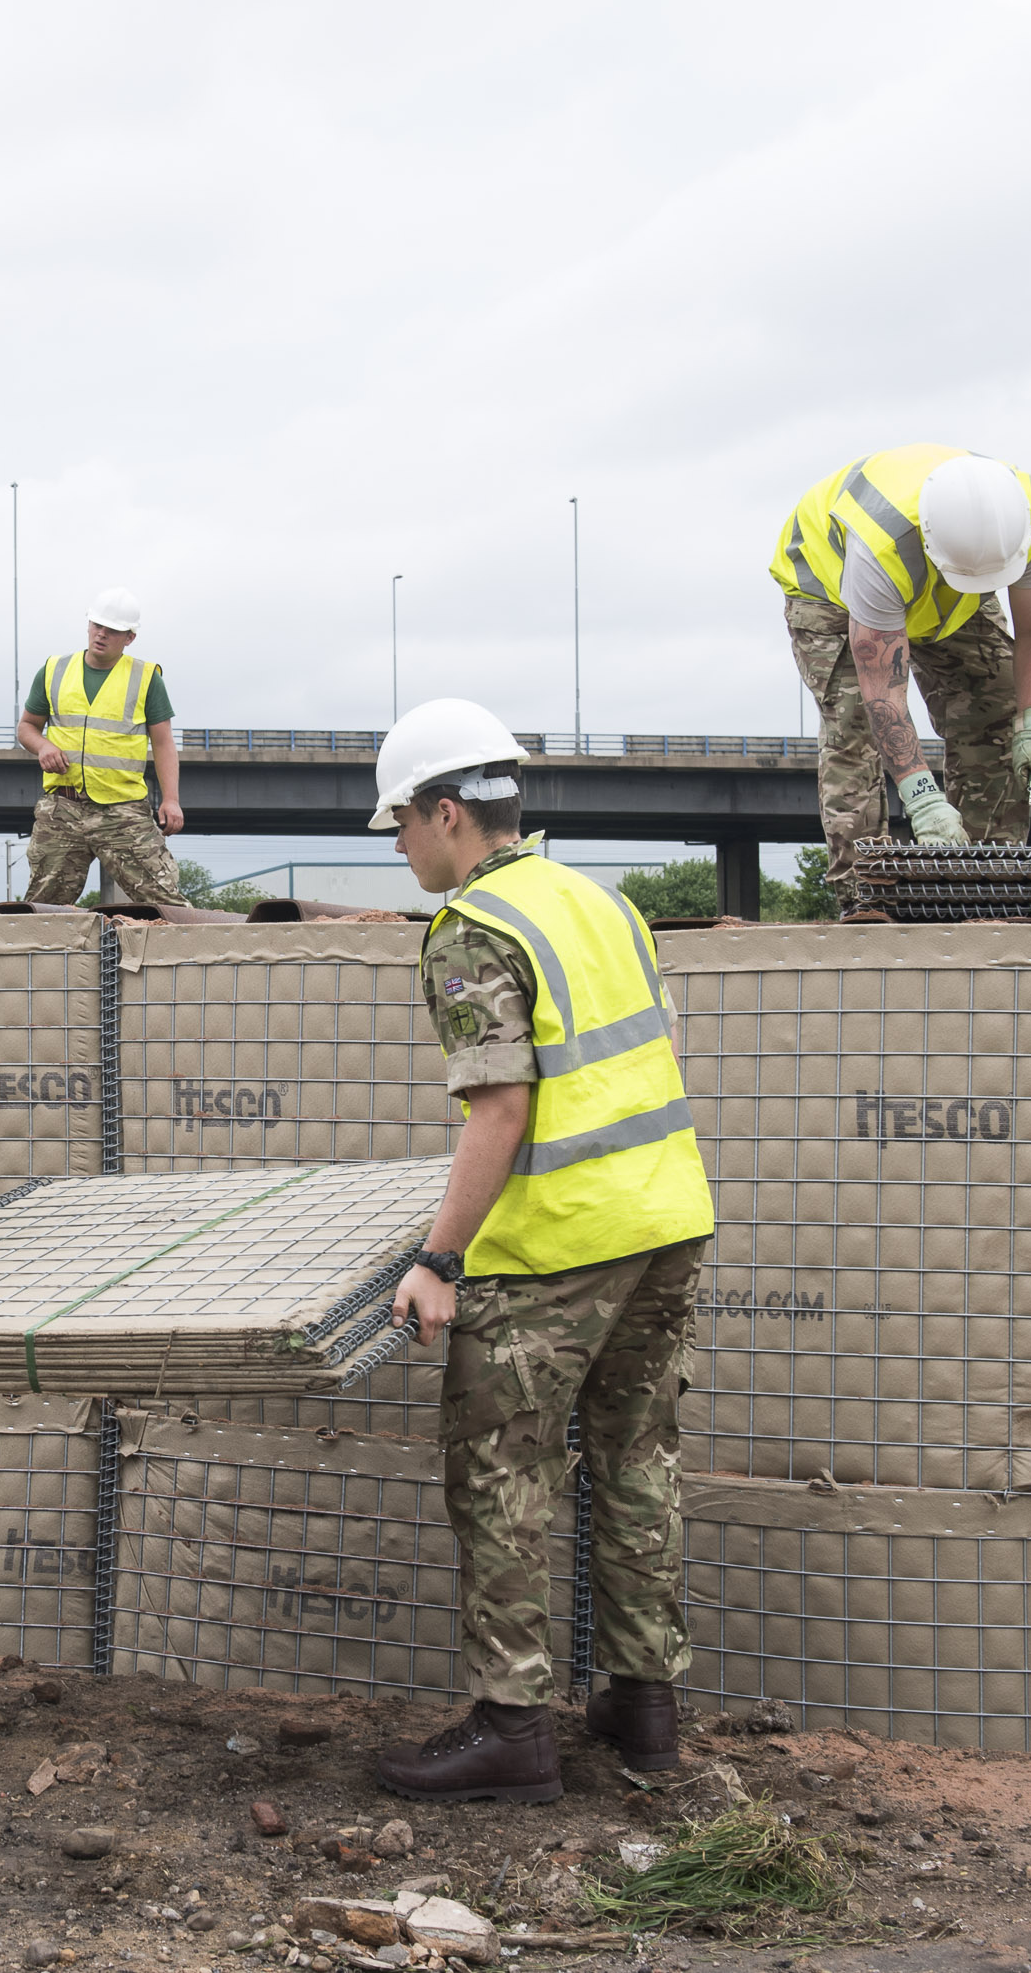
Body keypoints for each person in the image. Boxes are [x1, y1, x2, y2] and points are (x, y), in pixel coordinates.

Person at [366, 699, 718, 1803]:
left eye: (403, 828)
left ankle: (514, 1728)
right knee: (635, 1465)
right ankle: (642, 1708)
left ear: (448, 813)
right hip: (663, 1222)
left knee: (503, 1476)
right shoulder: (595, 902)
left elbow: (501, 1108)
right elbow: (658, 1044)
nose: (402, 851)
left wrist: (438, 1258)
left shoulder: (475, 928)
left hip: (556, 1246)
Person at [770, 446, 1031, 909]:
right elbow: (882, 696)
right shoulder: (879, 548)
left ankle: (987, 885)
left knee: (996, 706)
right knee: (854, 732)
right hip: (831, 592)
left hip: (947, 588)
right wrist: (922, 797)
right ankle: (868, 895)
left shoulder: (1024, 521)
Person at [14, 587, 188, 906]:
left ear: (129, 637)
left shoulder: (146, 678)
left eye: (112, 630)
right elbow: (27, 727)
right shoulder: (54, 670)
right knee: (42, 907)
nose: (101, 635)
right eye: (97, 626)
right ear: (89, 624)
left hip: (122, 810)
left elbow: (163, 743)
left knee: (164, 902)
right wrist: (42, 746)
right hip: (63, 808)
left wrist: (171, 800)